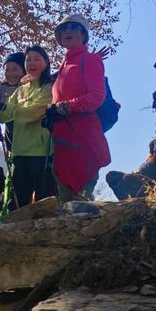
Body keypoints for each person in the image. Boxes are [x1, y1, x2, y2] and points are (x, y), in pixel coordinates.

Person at [45, 15, 111, 203]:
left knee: (81, 203)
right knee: (65, 202)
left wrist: (65, 107)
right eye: (63, 29)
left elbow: (97, 96)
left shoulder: (90, 60)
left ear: (83, 34)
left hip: (83, 139)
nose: (67, 31)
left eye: (74, 27)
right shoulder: (62, 66)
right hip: (62, 141)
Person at [0, 45, 54, 208]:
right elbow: (3, 116)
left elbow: (34, 113)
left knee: (45, 203)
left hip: (41, 153)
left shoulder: (49, 88)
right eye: (28, 59)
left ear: (46, 63)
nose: (31, 62)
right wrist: (5, 109)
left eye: (37, 59)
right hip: (19, 152)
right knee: (16, 204)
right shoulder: (20, 91)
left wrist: (10, 109)